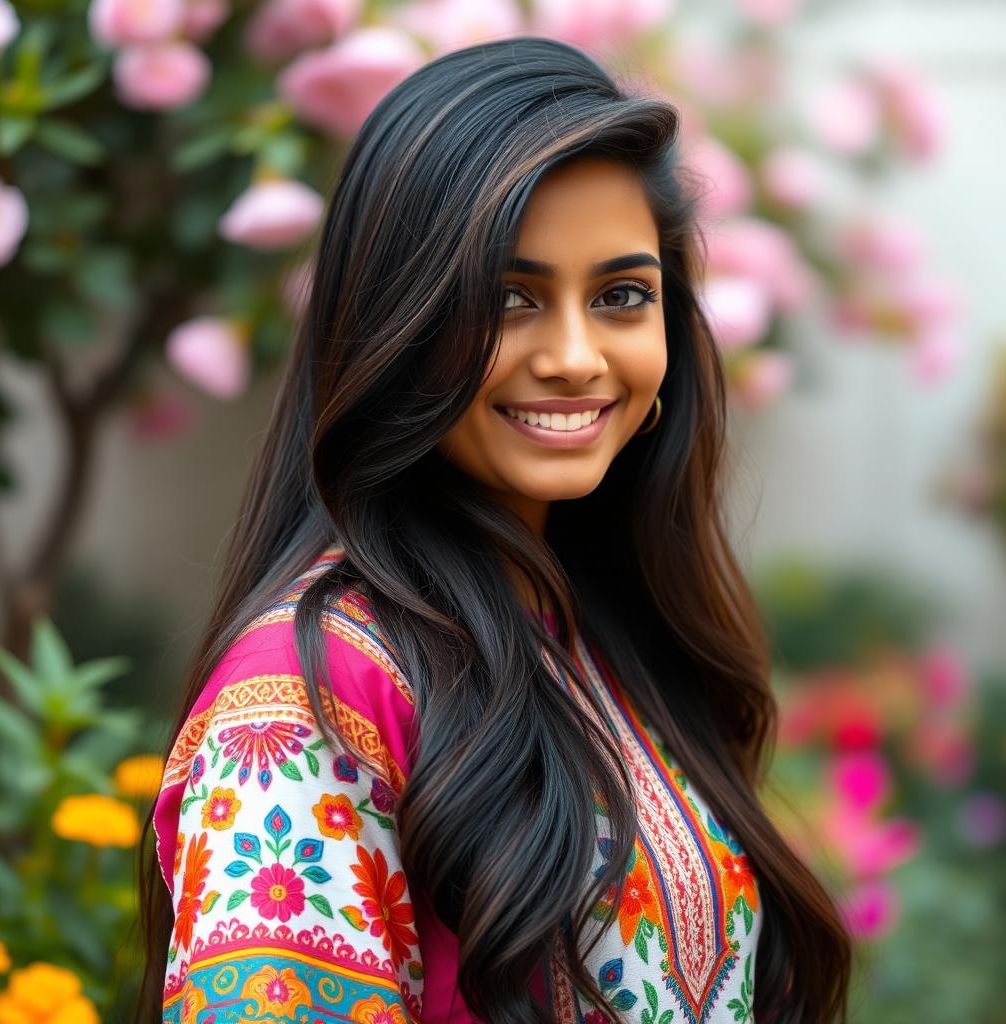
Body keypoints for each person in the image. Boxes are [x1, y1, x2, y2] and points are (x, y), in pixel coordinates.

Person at [136, 35, 852, 1024]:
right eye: (509, 298)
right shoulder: (309, 695)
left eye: (619, 297)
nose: (572, 356)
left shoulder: (603, 632)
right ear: (399, 319)